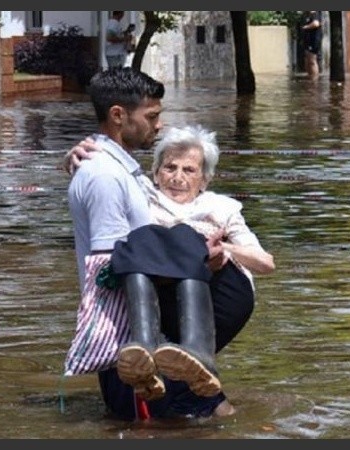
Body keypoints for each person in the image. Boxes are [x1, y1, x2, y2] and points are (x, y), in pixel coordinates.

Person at [65, 68, 273, 421]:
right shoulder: (110, 176)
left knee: (194, 410)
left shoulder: (128, 175)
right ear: (118, 115)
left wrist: (217, 252)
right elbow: (111, 264)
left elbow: (265, 261)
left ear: (205, 179)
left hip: (161, 326)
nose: (158, 125)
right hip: (131, 328)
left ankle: (195, 366)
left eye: (189, 170)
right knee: (175, 414)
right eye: (151, 117)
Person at [301, 11, 322, 79]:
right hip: (308, 41)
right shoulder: (307, 15)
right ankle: (310, 77)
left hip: (314, 40)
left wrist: (306, 27)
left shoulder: (315, 14)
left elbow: (316, 24)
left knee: (312, 60)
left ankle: (315, 79)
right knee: (307, 60)